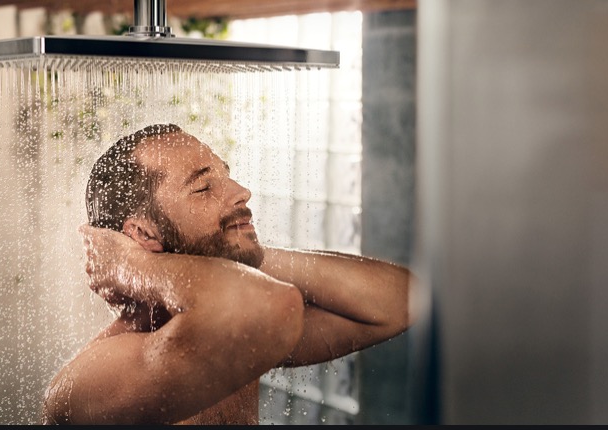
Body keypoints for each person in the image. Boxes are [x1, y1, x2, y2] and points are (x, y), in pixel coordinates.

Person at [41, 123, 415, 425]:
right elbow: (261, 303)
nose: (242, 192)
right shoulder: (93, 378)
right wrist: (132, 265)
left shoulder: (234, 335)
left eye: (227, 177)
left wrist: (235, 249)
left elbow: (401, 301)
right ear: (142, 234)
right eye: (204, 187)